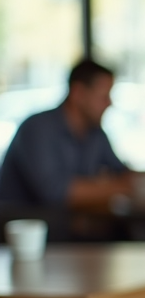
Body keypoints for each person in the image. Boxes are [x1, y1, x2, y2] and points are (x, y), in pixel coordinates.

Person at [0, 59, 132, 208]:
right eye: (103, 96)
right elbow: (56, 192)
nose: (109, 103)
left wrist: (115, 184)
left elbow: (123, 173)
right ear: (78, 93)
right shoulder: (37, 128)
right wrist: (119, 187)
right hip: (24, 220)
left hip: (73, 220)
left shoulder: (95, 132)